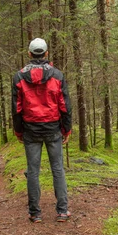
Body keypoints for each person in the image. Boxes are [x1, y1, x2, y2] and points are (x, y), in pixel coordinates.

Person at [12, 38, 72, 223]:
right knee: (57, 169)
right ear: (46, 54)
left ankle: (35, 213)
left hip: (31, 130)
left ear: (29, 54)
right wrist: (66, 129)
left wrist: (18, 131)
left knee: (33, 170)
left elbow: (17, 108)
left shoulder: (19, 77)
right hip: (53, 128)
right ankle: (62, 211)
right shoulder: (57, 75)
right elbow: (65, 106)